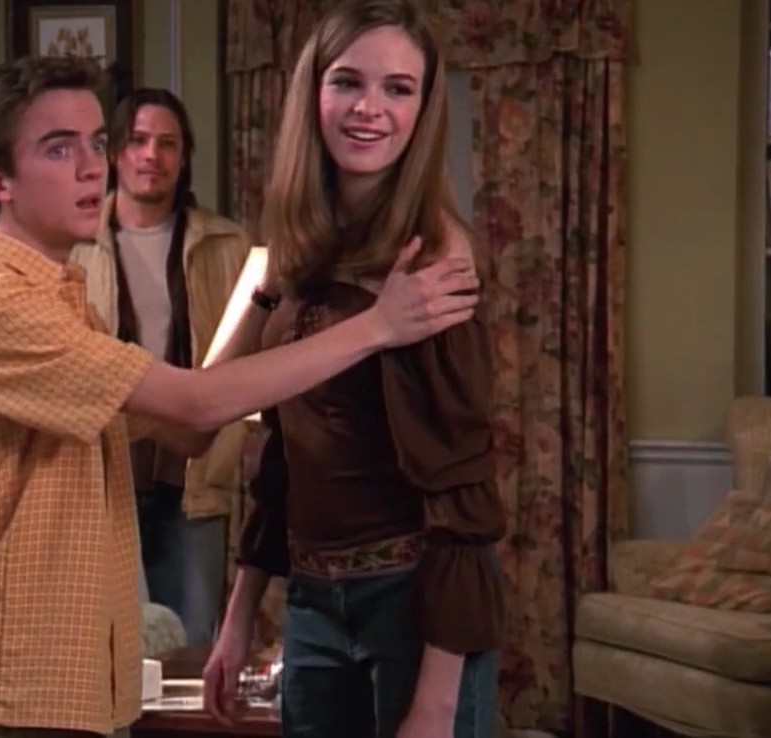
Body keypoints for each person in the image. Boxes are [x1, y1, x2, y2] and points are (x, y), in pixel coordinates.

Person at [0, 54, 481, 738]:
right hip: (9, 696)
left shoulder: (61, 301)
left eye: (96, 143)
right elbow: (196, 404)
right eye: (58, 149)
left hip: (62, 694)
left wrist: (267, 293)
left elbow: (187, 434)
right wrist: (379, 325)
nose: (93, 168)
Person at [201, 1, 506, 737]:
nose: (370, 108)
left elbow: (464, 493)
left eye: (398, 89)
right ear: (313, 93)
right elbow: (285, 453)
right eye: (348, 82)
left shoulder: (435, 260)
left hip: (411, 603)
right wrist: (239, 615)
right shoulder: (300, 250)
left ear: (423, 110)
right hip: (312, 603)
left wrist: (436, 700)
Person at [70, 87, 252, 647]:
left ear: (184, 155)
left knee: (190, 644)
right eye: (138, 141)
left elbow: (248, 359)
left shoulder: (227, 246)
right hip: (103, 475)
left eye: (168, 143)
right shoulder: (75, 244)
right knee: (113, 644)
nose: (152, 155)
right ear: (114, 152)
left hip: (195, 477)